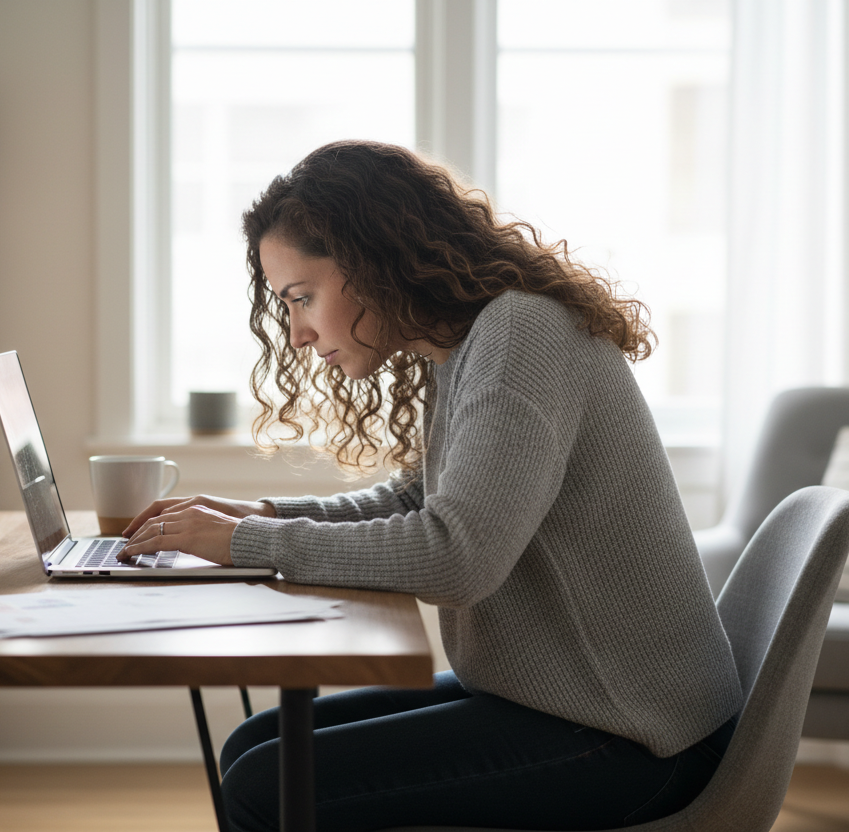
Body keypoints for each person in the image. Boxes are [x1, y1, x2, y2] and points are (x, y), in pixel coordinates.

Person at [119, 140, 742, 832]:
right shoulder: (469, 339)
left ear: (370, 262)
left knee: (266, 785)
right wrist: (262, 514)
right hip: (573, 703)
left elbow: (456, 556)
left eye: (303, 297)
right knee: (255, 746)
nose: (295, 333)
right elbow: (418, 501)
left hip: (637, 736)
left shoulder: (518, 336)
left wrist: (248, 541)